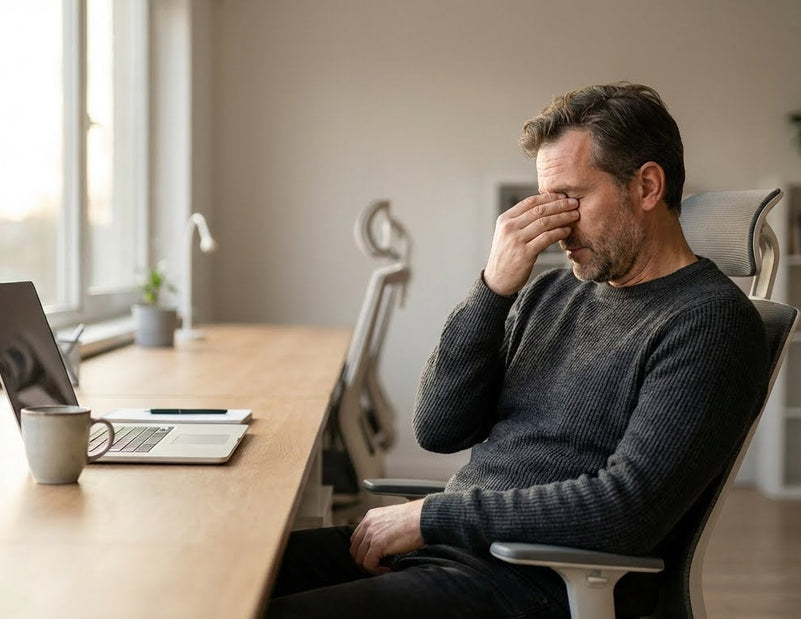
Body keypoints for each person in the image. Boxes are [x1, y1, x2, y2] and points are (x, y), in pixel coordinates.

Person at [267, 82, 769, 618]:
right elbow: (440, 429)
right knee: (233, 576)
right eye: (547, 202)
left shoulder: (709, 323)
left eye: (571, 199)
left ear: (646, 186)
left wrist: (432, 517)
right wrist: (492, 290)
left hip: (534, 586)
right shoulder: (553, 293)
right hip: (448, 554)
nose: (556, 227)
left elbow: (625, 509)